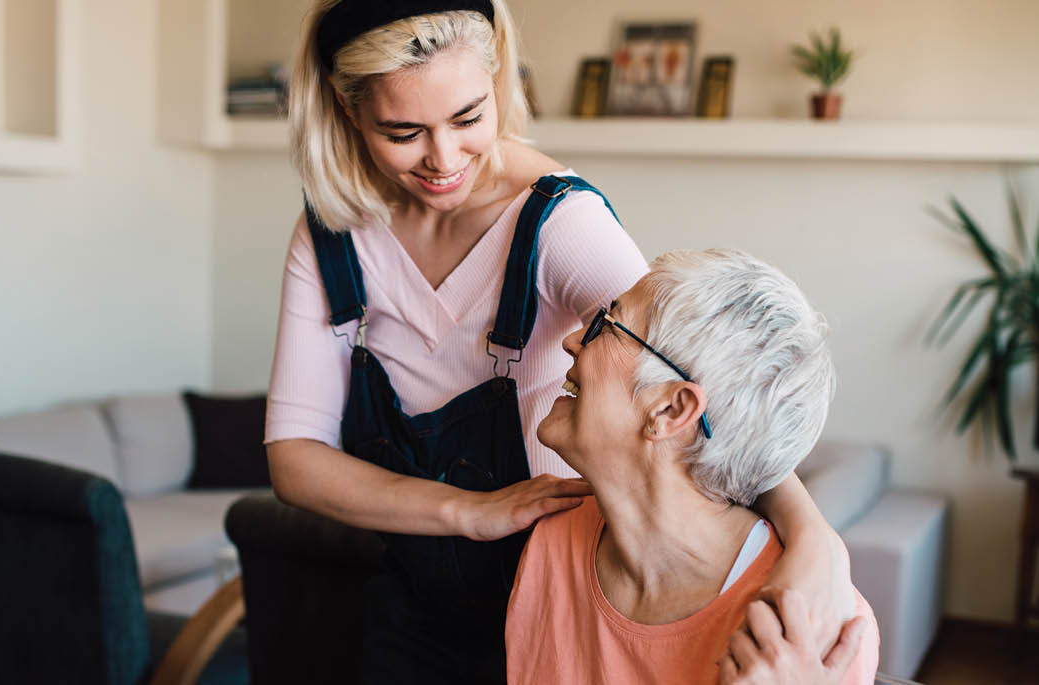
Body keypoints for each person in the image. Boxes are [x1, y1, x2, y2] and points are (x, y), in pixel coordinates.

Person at [265, 1, 856, 681]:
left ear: (498, 81)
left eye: (468, 118)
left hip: (563, 594)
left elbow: (686, 387)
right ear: (346, 107)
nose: (444, 159)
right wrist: (468, 511)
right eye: (404, 131)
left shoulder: (559, 221)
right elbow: (295, 458)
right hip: (411, 606)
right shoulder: (331, 234)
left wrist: (816, 541)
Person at [505, 249, 879, 685]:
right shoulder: (555, 536)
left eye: (607, 325)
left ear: (670, 408)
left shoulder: (812, 634)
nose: (572, 340)